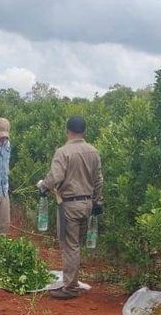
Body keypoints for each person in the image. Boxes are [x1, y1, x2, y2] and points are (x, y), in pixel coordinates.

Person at [36, 116, 103, 300]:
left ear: (67, 131)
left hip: (70, 206)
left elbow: (55, 177)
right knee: (76, 245)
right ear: (84, 132)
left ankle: (70, 287)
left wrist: (43, 186)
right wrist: (97, 201)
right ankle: (72, 281)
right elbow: (98, 180)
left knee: (70, 246)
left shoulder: (63, 152)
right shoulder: (93, 151)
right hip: (87, 204)